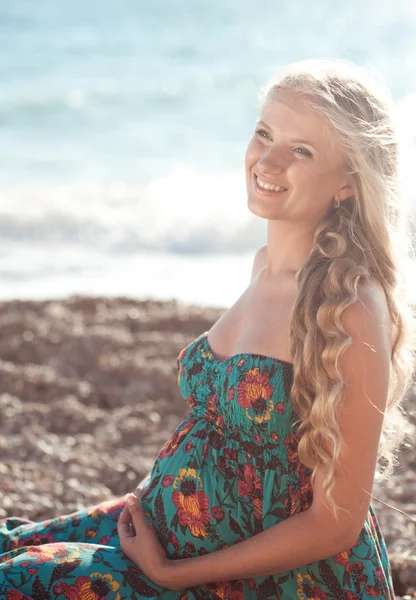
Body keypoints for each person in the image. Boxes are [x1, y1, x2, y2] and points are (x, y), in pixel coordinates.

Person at [1, 58, 414, 600]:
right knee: (12, 546)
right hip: (168, 531)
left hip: (259, 579)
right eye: (264, 133)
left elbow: (336, 522)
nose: (267, 160)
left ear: (347, 184)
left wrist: (172, 574)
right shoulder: (264, 264)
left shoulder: (351, 307)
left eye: (301, 150)